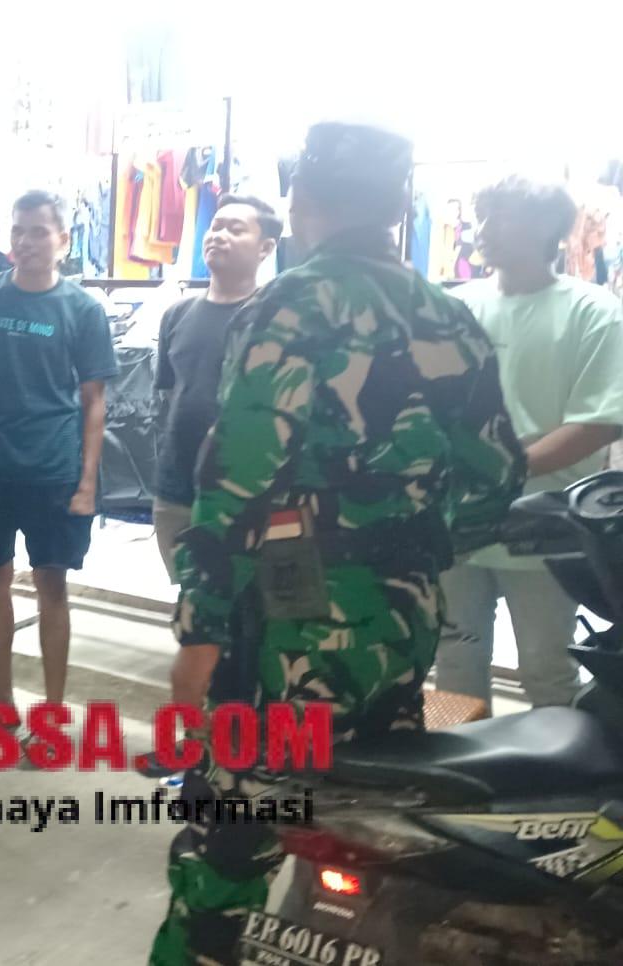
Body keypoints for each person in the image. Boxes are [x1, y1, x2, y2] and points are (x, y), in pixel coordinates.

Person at [149, 124, 525, 965]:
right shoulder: (449, 315)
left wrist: (199, 636)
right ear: (400, 206)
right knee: (368, 826)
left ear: (303, 201)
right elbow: (497, 477)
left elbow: (236, 483)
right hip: (401, 625)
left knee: (230, 842)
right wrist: (410, 551)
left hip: (285, 633)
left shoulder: (291, 304)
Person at [435, 177, 623, 711]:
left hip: (546, 529)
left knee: (547, 669)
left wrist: (498, 473)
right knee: (454, 663)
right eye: (483, 214)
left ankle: (558, 765)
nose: (483, 228)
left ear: (546, 227)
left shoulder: (593, 311)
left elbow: (599, 422)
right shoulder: (454, 307)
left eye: (502, 215)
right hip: (457, 522)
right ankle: (460, 758)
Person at [0, 190, 119, 742]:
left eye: (39, 231)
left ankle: (53, 714)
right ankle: (2, 701)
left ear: (63, 241)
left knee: (51, 587)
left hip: (52, 470)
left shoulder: (83, 310)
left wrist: (87, 483)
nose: (26, 241)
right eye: (18, 230)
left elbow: (94, 402)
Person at [152, 195, 283, 580]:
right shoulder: (177, 314)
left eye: (235, 229)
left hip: (246, 491)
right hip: (177, 488)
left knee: (245, 597)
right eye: (215, 226)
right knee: (186, 594)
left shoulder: (276, 318)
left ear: (265, 248)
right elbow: (170, 395)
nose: (218, 235)